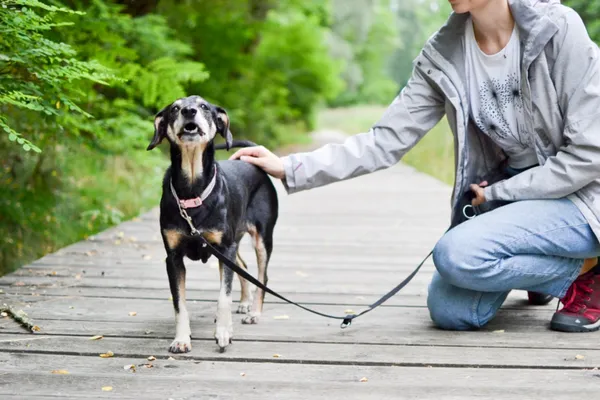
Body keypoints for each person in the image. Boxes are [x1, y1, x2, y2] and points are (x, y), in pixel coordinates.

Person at [229, 0, 600, 333]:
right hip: (514, 196)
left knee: (457, 254)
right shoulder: (445, 53)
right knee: (451, 310)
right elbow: (385, 140)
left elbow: (589, 155)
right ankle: (558, 267)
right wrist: (291, 166)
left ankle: (587, 271)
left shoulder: (558, 29)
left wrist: (500, 193)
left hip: (582, 196)